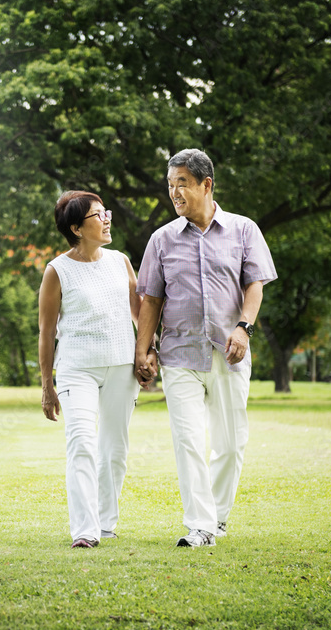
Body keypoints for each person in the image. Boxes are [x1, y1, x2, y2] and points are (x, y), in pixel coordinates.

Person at [134, 148, 277, 548]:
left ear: (206, 184)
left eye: (182, 183)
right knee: (189, 441)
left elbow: (255, 285)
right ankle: (200, 525)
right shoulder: (161, 240)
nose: (174, 193)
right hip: (179, 355)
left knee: (231, 444)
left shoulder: (244, 230)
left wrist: (244, 328)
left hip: (228, 353)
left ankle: (218, 518)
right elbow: (151, 301)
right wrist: (142, 351)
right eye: (170, 185)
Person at [38, 191, 152, 548]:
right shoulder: (57, 270)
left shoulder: (120, 261)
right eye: (97, 215)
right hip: (76, 369)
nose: (106, 220)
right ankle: (84, 531)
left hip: (121, 366)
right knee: (83, 443)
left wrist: (146, 353)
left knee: (114, 448)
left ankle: (105, 522)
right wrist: (46, 385)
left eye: (106, 213)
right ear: (76, 227)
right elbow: (47, 331)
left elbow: (138, 313)